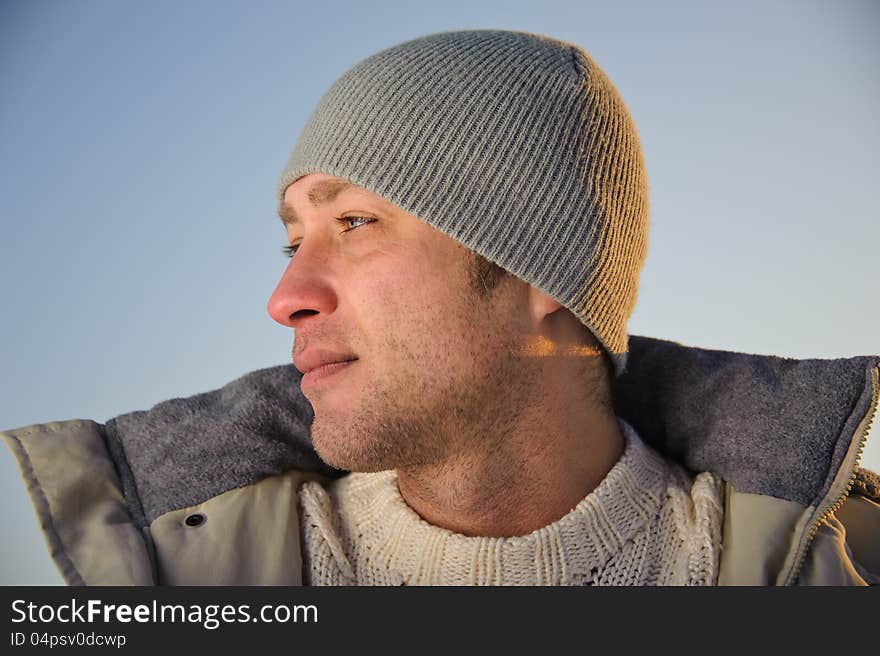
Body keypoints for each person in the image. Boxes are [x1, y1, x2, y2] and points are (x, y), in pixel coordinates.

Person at [2, 29, 878, 586]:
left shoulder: (837, 574)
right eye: (291, 240)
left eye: (354, 222)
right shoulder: (154, 582)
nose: (285, 298)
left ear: (543, 268)